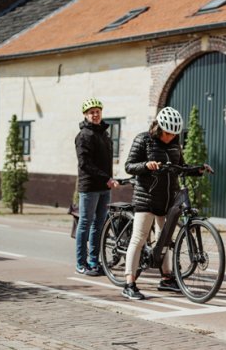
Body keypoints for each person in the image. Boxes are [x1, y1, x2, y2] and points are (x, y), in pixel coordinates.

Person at [121, 107, 206, 300]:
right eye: (168, 133)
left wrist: (197, 170)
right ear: (159, 128)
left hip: (167, 199)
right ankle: (129, 283)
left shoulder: (175, 145)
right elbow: (129, 165)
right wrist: (145, 166)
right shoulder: (144, 140)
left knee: (164, 239)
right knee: (139, 237)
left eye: (174, 134)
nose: (170, 137)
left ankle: (167, 278)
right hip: (146, 198)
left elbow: (180, 167)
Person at [75, 97, 118, 276]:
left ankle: (94, 261)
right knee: (85, 223)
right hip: (90, 187)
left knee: (99, 225)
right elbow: (85, 164)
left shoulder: (104, 134)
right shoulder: (83, 136)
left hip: (104, 186)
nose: (95, 114)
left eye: (97, 111)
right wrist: (106, 178)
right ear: (85, 115)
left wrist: (109, 178)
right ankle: (80, 262)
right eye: (91, 112)